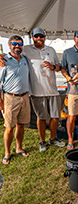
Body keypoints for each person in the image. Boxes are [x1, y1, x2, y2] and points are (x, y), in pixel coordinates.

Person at [23, 28, 66, 152]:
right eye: (36, 36)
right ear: (32, 37)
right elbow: (12, 54)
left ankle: (53, 139)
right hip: (36, 91)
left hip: (53, 90)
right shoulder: (26, 49)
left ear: (45, 37)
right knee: (41, 118)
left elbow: (59, 67)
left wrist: (52, 66)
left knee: (55, 116)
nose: (39, 39)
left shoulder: (51, 50)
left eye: (41, 36)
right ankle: (42, 142)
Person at [0, 35, 30, 164]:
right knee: (9, 127)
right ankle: (7, 152)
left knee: (21, 125)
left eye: (19, 44)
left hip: (24, 96)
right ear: (9, 45)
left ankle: (19, 148)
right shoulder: (4, 61)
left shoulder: (25, 59)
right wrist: (0, 103)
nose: (17, 46)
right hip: (10, 98)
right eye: (14, 44)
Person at [61, 30, 78, 150]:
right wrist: (67, 77)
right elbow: (63, 68)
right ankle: (70, 139)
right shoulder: (67, 52)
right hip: (72, 92)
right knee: (71, 117)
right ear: (74, 39)